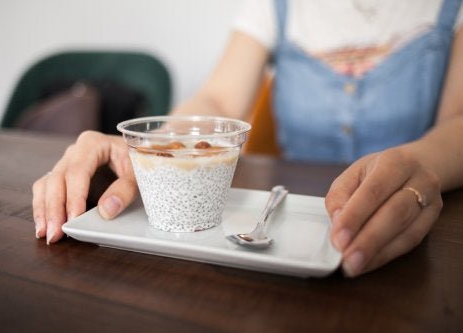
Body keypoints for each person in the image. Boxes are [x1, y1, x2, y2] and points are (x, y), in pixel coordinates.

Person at [32, 0, 463, 277]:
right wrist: (147, 149)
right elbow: (218, 100)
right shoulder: (274, 6)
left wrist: (418, 162)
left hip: (420, 224)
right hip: (297, 215)